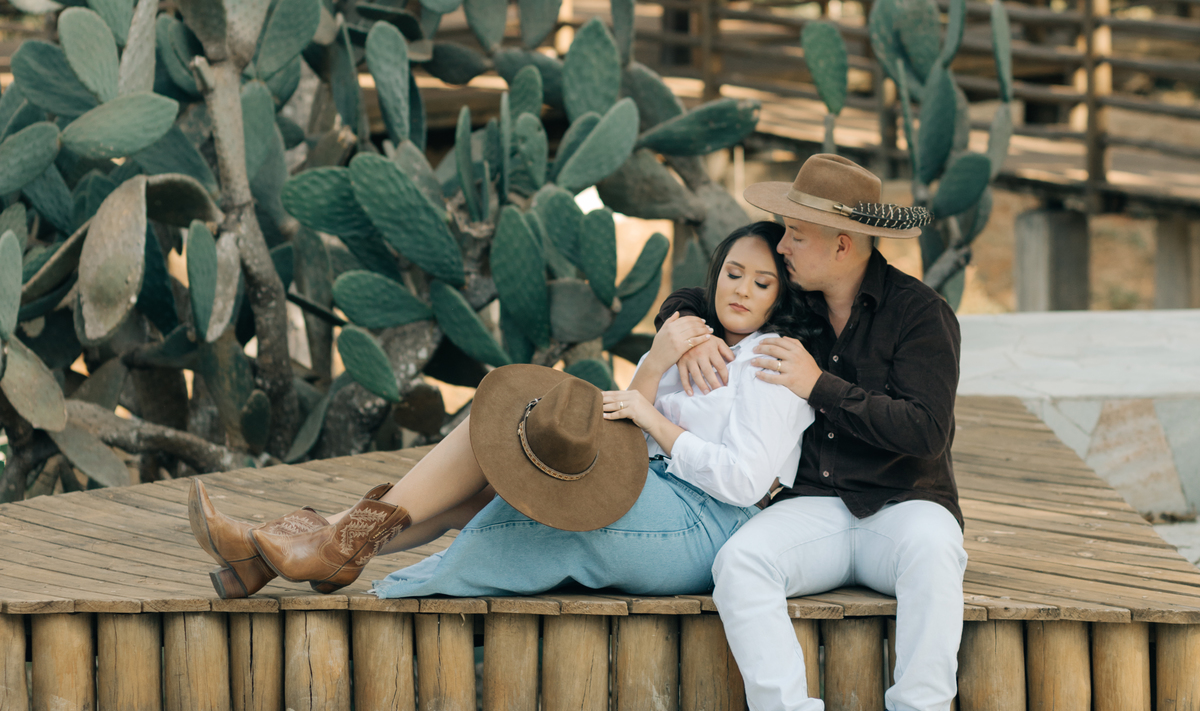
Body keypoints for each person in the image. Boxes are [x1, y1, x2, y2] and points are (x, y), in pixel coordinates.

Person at [186, 222, 815, 607]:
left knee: (506, 481)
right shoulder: (692, 335)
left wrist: (658, 424)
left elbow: (743, 481)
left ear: (781, 296)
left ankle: (297, 548)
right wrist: (656, 359)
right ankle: (296, 549)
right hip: (652, 484)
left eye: (761, 283)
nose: (741, 289)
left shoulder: (774, 361)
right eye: (733, 273)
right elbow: (629, 429)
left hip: (706, 524)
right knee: (491, 461)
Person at [657, 153, 965, 711]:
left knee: (936, 555)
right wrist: (684, 334)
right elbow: (698, 294)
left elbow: (924, 431)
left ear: (843, 245)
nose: (783, 247)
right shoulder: (795, 298)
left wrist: (818, 385)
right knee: (741, 562)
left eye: (795, 235)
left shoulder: (921, 314)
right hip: (813, 510)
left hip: (905, 507)